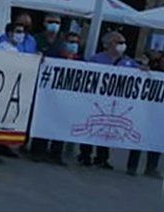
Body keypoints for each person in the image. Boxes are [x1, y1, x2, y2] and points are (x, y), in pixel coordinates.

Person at [78, 32, 141, 170]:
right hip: (97, 100)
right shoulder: (97, 59)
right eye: (118, 42)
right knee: (93, 127)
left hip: (116, 102)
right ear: (108, 44)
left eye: (123, 42)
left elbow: (139, 73)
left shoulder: (128, 62)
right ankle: (85, 154)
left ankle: (102, 157)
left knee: (108, 128)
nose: (122, 45)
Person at [29, 32, 80, 166]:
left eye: (76, 42)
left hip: (67, 98)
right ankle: (38, 151)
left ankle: (56, 153)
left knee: (61, 124)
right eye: (71, 42)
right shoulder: (55, 55)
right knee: (45, 121)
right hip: (50, 95)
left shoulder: (80, 60)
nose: (73, 45)